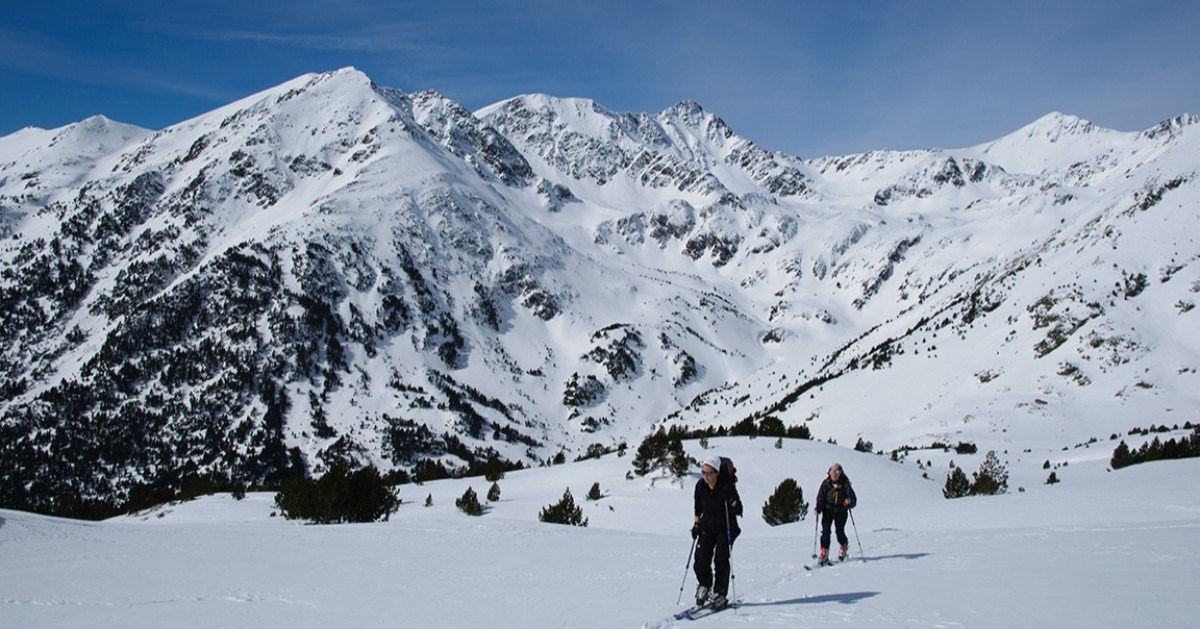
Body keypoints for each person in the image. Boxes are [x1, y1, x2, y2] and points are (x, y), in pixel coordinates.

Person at [691, 454, 742, 609]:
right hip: (707, 525)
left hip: (725, 527)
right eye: (703, 472)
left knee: (721, 559)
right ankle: (705, 585)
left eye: (709, 473)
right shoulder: (700, 486)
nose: (705, 476)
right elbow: (698, 507)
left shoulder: (726, 487)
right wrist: (696, 524)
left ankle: (720, 593)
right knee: (700, 559)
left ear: (716, 473)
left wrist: (731, 500)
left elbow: (739, 509)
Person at [814, 463, 857, 564]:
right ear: (829, 472)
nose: (834, 474)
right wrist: (818, 509)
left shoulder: (845, 484)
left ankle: (843, 545)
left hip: (841, 510)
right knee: (825, 531)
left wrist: (849, 501)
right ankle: (824, 551)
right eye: (832, 471)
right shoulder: (826, 484)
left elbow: (853, 499)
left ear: (840, 473)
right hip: (828, 510)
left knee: (839, 531)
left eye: (837, 472)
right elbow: (821, 498)